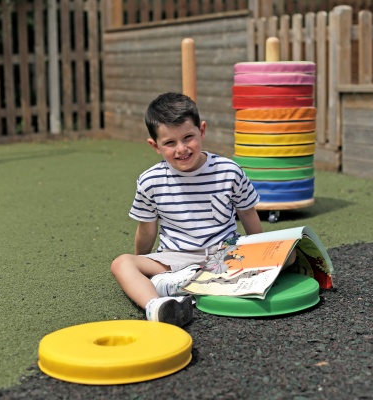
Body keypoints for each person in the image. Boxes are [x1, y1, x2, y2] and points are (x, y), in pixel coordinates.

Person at [111, 92, 263, 327]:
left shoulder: (229, 171)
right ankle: (157, 306)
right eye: (170, 143)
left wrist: (264, 253)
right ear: (155, 145)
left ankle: (180, 284)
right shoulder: (150, 181)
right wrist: (143, 265)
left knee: (290, 253)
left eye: (188, 137)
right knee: (122, 263)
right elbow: (146, 230)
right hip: (174, 257)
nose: (181, 149)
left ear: (201, 131)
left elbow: (248, 215)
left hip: (225, 253)